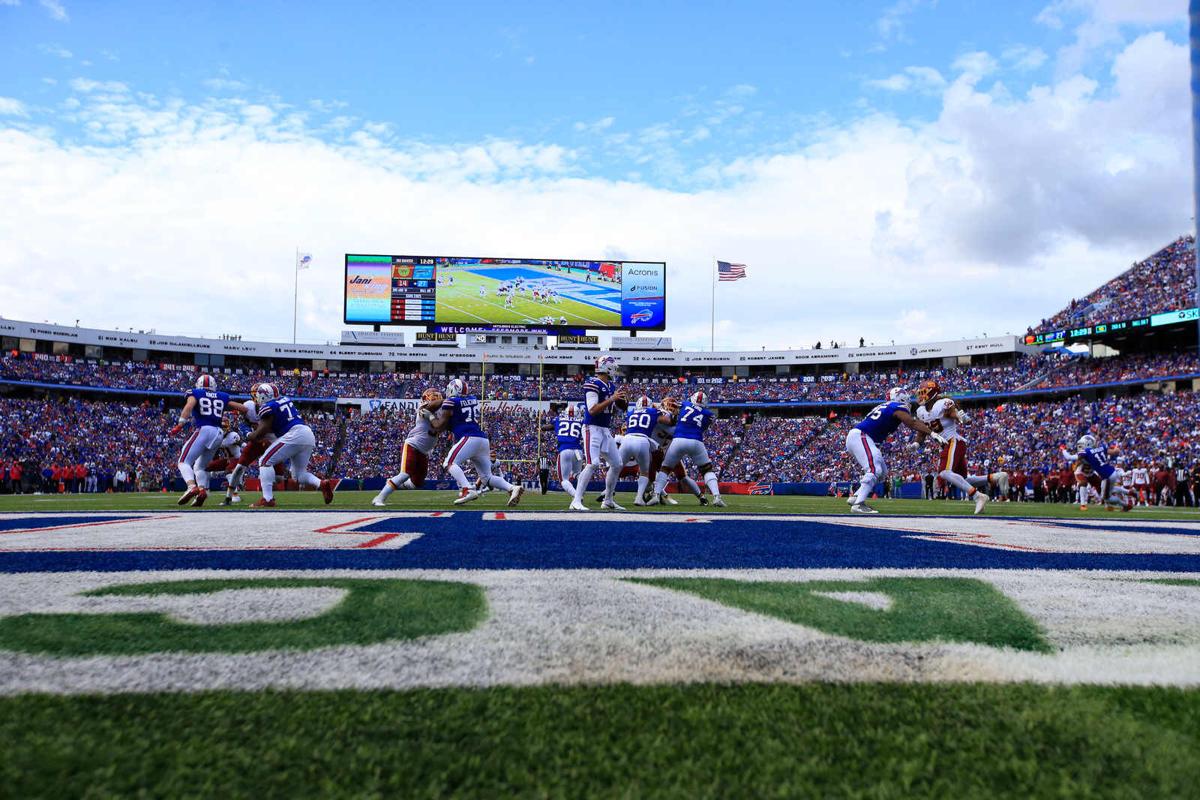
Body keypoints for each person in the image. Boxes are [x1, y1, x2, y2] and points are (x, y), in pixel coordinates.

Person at [844, 388, 945, 514]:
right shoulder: (897, 406)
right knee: (875, 469)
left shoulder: (886, 405)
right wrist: (932, 433)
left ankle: (855, 497)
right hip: (862, 436)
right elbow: (911, 423)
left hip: (861, 437)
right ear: (902, 398)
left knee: (882, 473)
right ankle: (859, 504)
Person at [434, 378, 523, 506]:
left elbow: (440, 425)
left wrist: (430, 416)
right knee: (486, 478)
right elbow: (456, 420)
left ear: (454, 389)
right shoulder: (472, 399)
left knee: (449, 463)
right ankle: (512, 488)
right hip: (482, 439)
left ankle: (468, 489)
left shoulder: (451, 401)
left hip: (469, 437)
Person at [246, 383, 335, 508]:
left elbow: (261, 432)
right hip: (307, 434)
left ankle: (267, 499)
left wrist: (249, 435)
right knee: (298, 475)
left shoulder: (268, 407)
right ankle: (321, 483)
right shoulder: (285, 399)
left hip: (294, 435)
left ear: (264, 396)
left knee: (265, 461)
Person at [914, 379, 989, 514]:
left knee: (944, 472)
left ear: (933, 392)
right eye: (920, 393)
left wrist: (961, 417)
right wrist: (916, 443)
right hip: (948, 445)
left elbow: (953, 414)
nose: (921, 396)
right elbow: (922, 430)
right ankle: (996, 477)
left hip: (953, 441)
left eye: (924, 392)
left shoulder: (942, 404)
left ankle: (978, 496)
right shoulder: (921, 411)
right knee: (963, 479)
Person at [170, 374, 242, 508]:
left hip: (204, 429)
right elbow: (241, 407)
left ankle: (191, 487)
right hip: (218, 433)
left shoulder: (195, 393)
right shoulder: (222, 395)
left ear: (198, 384)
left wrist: (180, 424)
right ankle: (202, 490)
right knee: (200, 466)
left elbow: (189, 405)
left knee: (183, 461)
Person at [570, 356, 628, 511]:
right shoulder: (593, 383)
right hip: (592, 428)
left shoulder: (610, 385)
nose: (615, 369)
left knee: (617, 464)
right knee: (593, 463)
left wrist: (621, 401)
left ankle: (608, 500)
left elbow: (619, 408)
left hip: (604, 429)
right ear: (606, 367)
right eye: (613, 366)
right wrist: (612, 399)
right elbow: (593, 409)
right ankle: (576, 500)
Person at [650, 391, 726, 507]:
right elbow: (702, 427)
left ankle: (656, 495)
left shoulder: (684, 404)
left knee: (665, 469)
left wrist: (665, 409)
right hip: (696, 441)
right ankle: (716, 497)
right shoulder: (709, 414)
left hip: (678, 440)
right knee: (707, 470)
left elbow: (670, 405)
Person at [372, 389, 445, 506]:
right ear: (426, 398)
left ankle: (393, 483)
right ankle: (379, 498)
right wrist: (446, 400)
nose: (435, 398)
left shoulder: (441, 412)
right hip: (413, 445)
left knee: (417, 482)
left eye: (437, 396)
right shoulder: (423, 408)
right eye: (433, 396)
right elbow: (431, 406)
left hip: (424, 451)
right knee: (404, 474)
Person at [1060, 434, 1132, 511]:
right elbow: (1070, 458)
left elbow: (1069, 457)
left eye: (1082, 444)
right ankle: (1083, 504)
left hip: (1091, 473)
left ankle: (1108, 504)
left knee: (1102, 490)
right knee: (1083, 483)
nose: (1080, 446)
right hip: (1081, 472)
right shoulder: (1092, 451)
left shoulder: (1088, 452)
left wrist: (1063, 450)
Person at [617, 396, 659, 506]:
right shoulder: (653, 411)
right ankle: (638, 498)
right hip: (642, 440)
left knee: (615, 469)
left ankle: (607, 496)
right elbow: (667, 420)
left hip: (626, 439)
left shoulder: (631, 413)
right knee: (644, 472)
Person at [547, 402, 584, 498]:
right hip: (578, 451)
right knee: (578, 474)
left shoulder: (559, 419)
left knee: (564, 480)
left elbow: (545, 427)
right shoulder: (582, 421)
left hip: (565, 450)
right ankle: (579, 493)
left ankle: (577, 496)